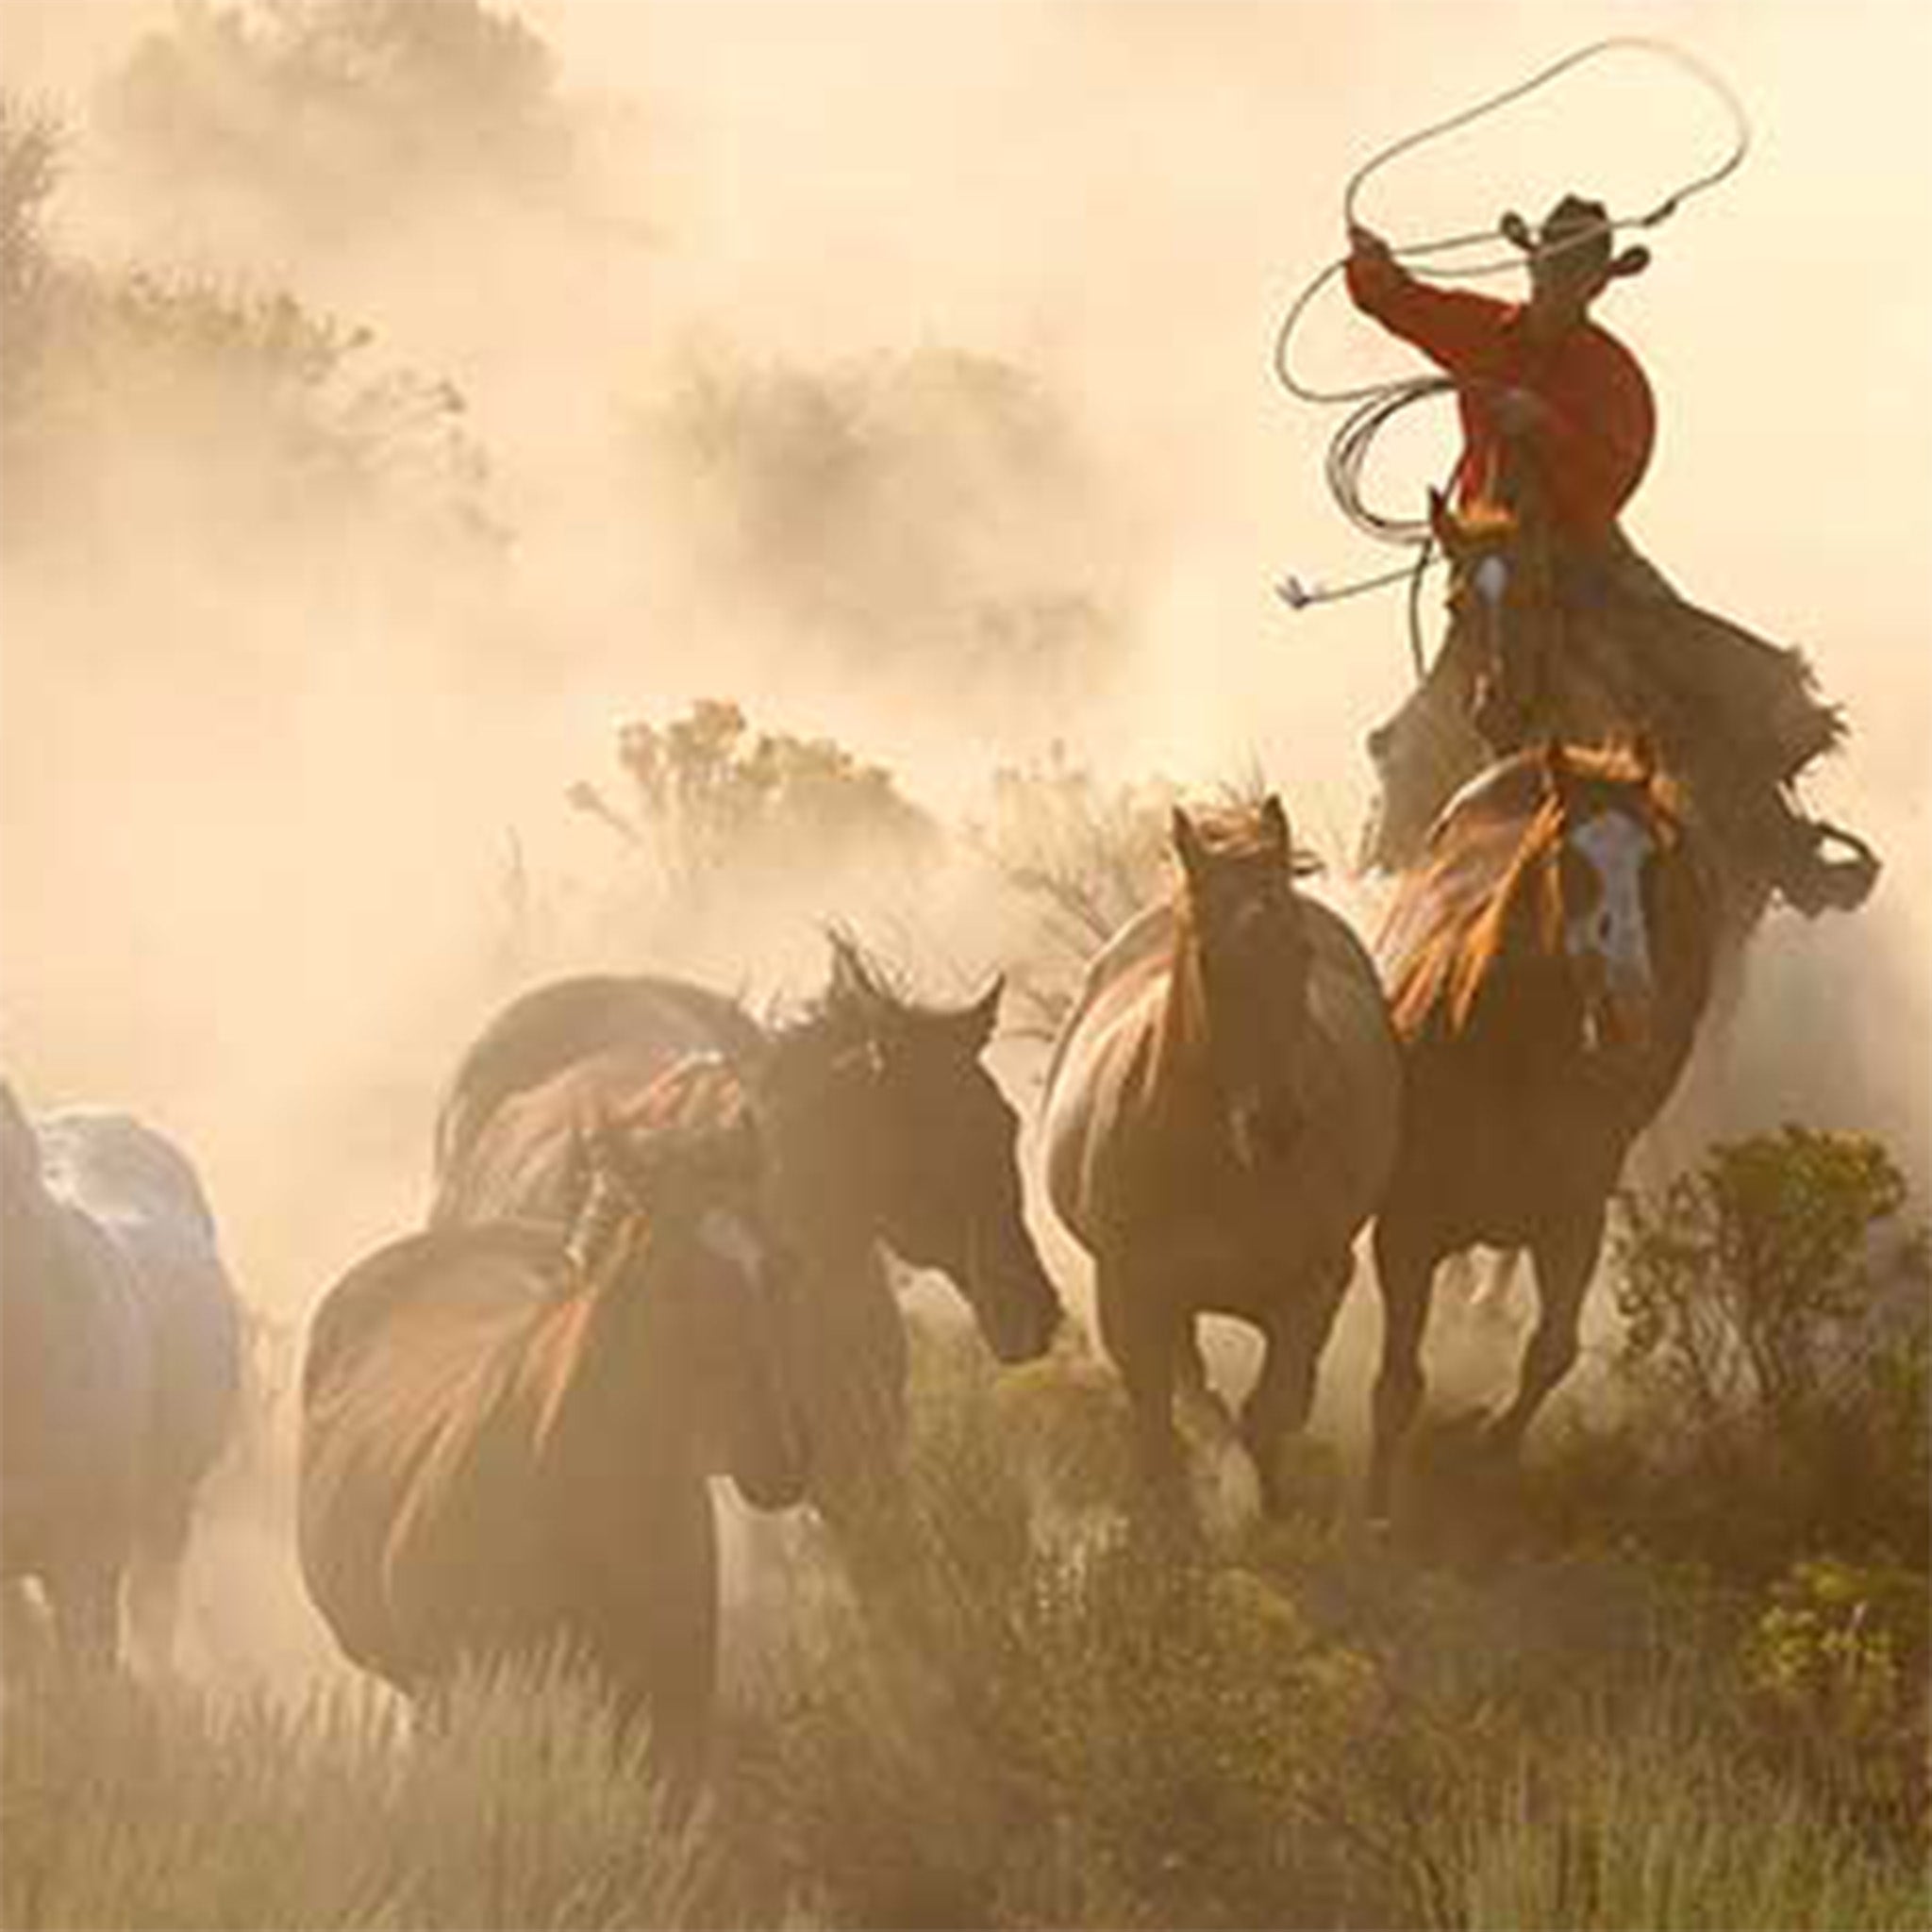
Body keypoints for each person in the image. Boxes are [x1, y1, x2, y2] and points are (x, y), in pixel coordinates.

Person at [1345, 193, 1875, 915]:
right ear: (1532, 265)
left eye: (1572, 274)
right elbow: (1404, 304)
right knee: (1420, 739)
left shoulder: (1611, 375)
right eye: (1549, 268)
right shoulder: (1484, 330)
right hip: (1490, 563)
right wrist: (1372, 267)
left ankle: (1781, 847)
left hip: (1584, 561)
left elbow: (1614, 476)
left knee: (1682, 689)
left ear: (1596, 284)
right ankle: (1373, 890)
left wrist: (1546, 428)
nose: (1556, 285)